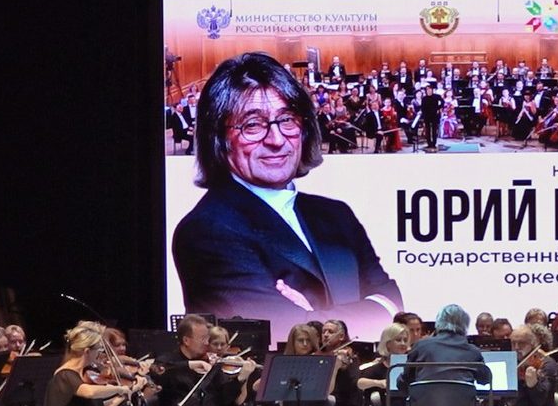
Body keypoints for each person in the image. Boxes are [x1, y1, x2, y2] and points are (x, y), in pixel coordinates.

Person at [172, 52, 402, 342]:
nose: (277, 139)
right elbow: (285, 334)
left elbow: (395, 308)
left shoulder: (337, 214)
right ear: (218, 138)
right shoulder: (206, 231)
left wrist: (314, 316)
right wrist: (356, 314)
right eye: (252, 125)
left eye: (287, 120)